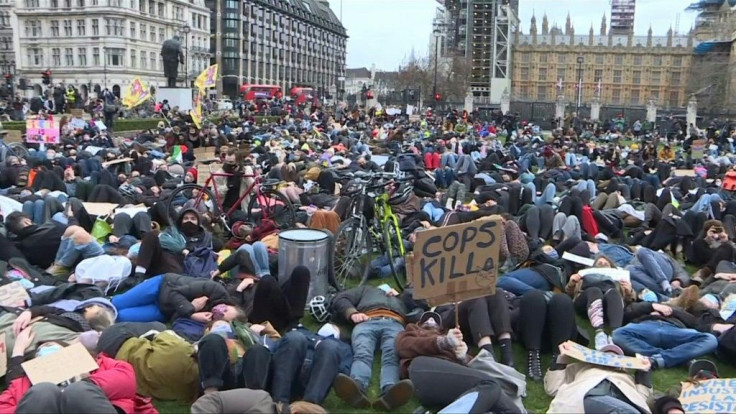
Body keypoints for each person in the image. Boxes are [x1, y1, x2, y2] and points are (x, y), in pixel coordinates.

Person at [0, 328, 155, 413]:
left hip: (95, 404)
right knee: (43, 391)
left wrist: (89, 381)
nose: (48, 350)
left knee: (79, 391)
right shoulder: (21, 383)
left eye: (52, 346)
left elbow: (126, 379)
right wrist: (36, 401)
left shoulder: (97, 364)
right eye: (42, 350)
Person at [330, 285, 413, 410]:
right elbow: (341, 298)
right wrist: (352, 313)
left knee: (392, 355)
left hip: (395, 323)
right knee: (362, 352)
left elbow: (423, 305)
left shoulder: (403, 296)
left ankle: (390, 391)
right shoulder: (366, 289)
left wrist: (402, 296)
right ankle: (356, 386)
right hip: (367, 320)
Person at [545, 342, 653, 413]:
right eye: (605, 354)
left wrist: (643, 371)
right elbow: (553, 388)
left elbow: (643, 396)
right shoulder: (582, 368)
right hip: (590, 398)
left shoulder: (627, 377)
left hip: (623, 402)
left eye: (616, 356)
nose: (610, 357)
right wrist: (562, 358)